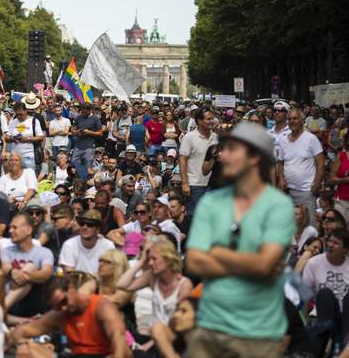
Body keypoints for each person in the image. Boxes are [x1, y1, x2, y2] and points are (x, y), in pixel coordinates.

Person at [185, 122, 295, 358]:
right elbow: (193, 261)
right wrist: (254, 264)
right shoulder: (210, 203)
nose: (222, 156)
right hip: (209, 330)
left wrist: (216, 253)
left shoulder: (278, 206)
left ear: (255, 157)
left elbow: (265, 265)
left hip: (258, 336)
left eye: (232, 149)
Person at [9, 273, 131, 358]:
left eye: (64, 301)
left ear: (71, 288)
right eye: (57, 306)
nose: (63, 308)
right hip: (77, 355)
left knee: (122, 351)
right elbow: (19, 331)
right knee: (29, 348)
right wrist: (21, 344)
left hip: (104, 355)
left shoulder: (101, 306)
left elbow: (118, 337)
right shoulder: (59, 315)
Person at [118, 236, 193, 325]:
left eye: (154, 259)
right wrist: (141, 261)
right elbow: (122, 285)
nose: (150, 263)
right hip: (153, 329)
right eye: (149, 259)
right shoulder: (152, 277)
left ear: (168, 259)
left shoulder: (184, 284)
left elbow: (181, 319)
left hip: (170, 330)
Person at [302, 228, 349, 353]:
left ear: (345, 249)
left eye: (336, 243)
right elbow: (305, 296)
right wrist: (303, 321)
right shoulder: (313, 263)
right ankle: (327, 345)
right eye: (330, 241)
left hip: (345, 317)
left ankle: (342, 348)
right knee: (324, 294)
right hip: (323, 315)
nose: (330, 245)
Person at [1, 213, 54, 317]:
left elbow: (46, 273)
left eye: (14, 227)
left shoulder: (44, 252)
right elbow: (5, 267)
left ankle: (1, 310)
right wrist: (13, 272)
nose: (10, 231)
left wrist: (24, 275)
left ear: (29, 230)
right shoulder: (6, 251)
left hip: (33, 301)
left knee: (30, 267)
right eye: (10, 227)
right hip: (9, 293)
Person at [277, 108, 324, 222]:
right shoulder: (283, 140)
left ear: (302, 121)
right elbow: (281, 162)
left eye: (295, 118)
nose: (292, 121)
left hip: (306, 192)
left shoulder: (311, 139)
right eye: (289, 119)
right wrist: (281, 179)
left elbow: (321, 164)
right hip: (288, 191)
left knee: (309, 225)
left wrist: (316, 185)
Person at [179, 107, 217, 216]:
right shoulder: (189, 137)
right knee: (194, 217)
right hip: (194, 185)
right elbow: (182, 160)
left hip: (212, 186)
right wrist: (185, 183)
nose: (212, 121)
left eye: (213, 118)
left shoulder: (216, 138)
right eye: (208, 119)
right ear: (199, 121)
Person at [59, 209, 115, 275]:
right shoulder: (69, 245)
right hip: (76, 281)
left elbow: (109, 273)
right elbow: (69, 274)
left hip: (100, 281)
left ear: (98, 229)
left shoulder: (108, 246)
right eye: (82, 224)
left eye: (90, 224)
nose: (84, 227)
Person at [6, 101, 44, 173]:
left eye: (21, 114)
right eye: (17, 114)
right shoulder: (13, 122)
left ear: (25, 111)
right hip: (15, 157)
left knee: (29, 177)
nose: (19, 116)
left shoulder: (34, 121)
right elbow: (6, 137)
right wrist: (13, 138)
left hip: (29, 156)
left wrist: (27, 139)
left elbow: (41, 137)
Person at [71, 102, 103, 180]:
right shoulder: (78, 117)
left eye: (85, 112)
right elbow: (73, 129)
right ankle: (80, 179)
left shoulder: (95, 119)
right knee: (74, 162)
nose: (83, 113)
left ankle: (88, 181)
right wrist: (77, 132)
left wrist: (89, 132)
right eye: (82, 111)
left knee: (88, 165)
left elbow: (100, 133)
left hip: (89, 146)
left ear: (90, 110)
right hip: (78, 145)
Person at [329, 132, 349, 219]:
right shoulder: (341, 156)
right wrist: (345, 180)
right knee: (340, 225)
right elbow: (331, 179)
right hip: (342, 200)